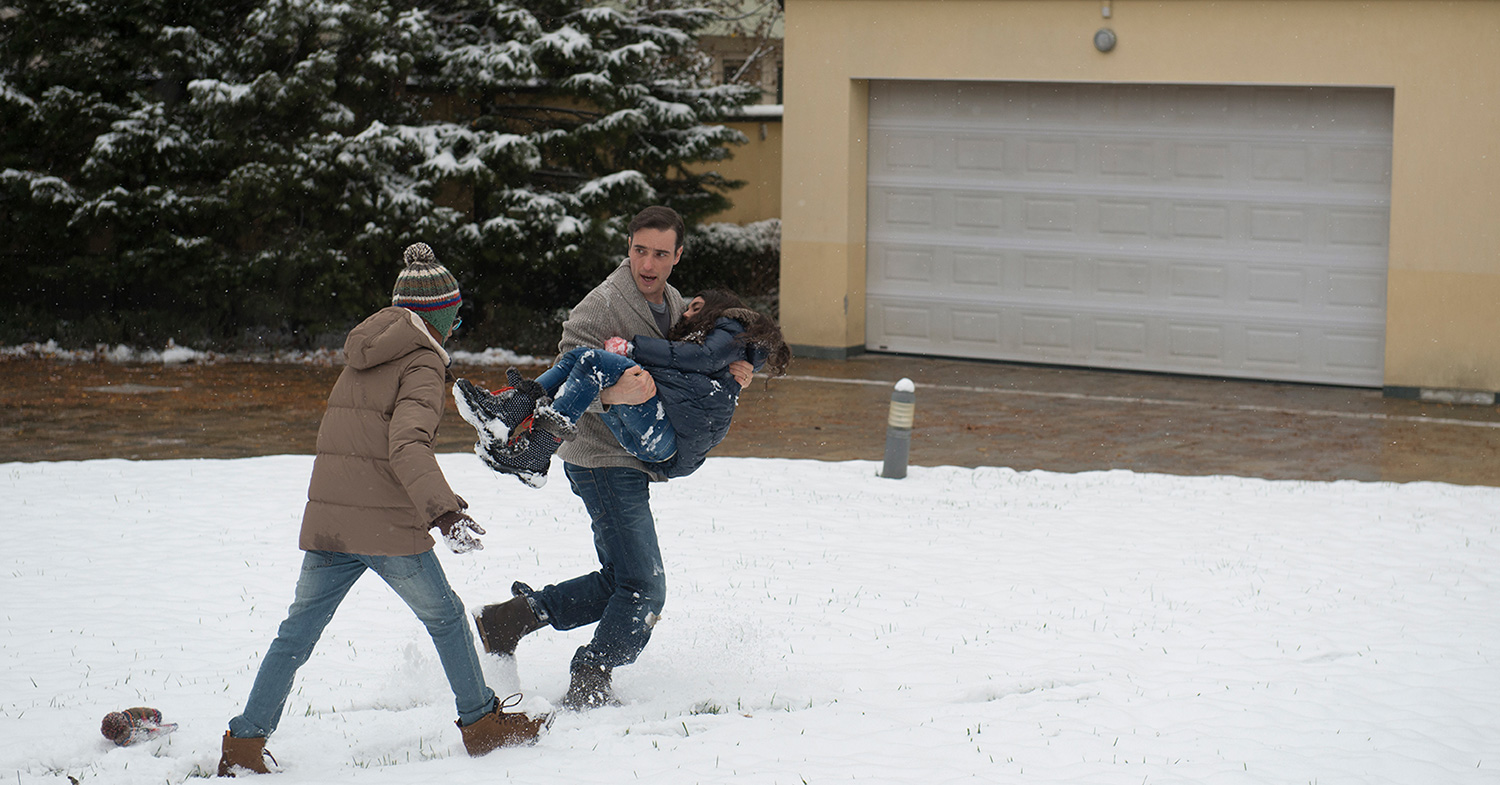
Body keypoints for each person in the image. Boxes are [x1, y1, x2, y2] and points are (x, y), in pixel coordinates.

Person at [215, 243, 545, 777]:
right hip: (384, 524)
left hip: (333, 520)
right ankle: (482, 725)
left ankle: (245, 743)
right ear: (438, 316)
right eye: (454, 314)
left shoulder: (366, 354)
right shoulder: (418, 364)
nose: (458, 323)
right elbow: (407, 445)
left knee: (295, 634)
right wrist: (444, 512)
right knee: (445, 616)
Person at [464, 206, 755, 711]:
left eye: (660, 254)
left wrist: (746, 358)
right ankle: (592, 674)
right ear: (628, 247)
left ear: (677, 257)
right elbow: (570, 370)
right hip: (598, 455)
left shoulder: (676, 302)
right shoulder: (599, 306)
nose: (648, 262)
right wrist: (617, 394)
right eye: (640, 250)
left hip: (636, 455)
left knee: (621, 579)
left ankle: (510, 620)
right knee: (645, 587)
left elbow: (714, 344)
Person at [453, 287, 790, 486]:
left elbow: (698, 357)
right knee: (583, 356)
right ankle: (510, 410)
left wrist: (632, 348)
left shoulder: (729, 333)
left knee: (591, 361)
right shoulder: (721, 355)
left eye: (696, 308)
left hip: (665, 440)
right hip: (652, 437)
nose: (686, 314)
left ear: (718, 313)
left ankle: (538, 450)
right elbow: (687, 365)